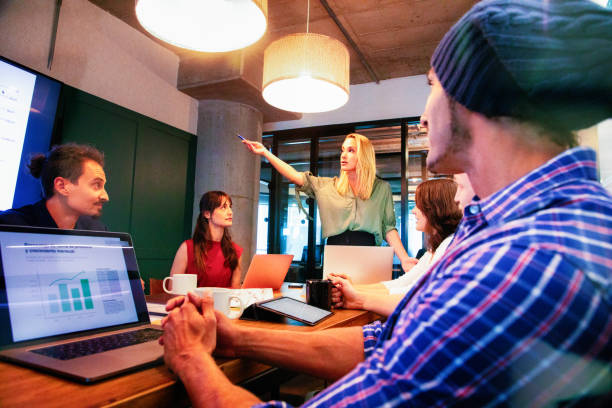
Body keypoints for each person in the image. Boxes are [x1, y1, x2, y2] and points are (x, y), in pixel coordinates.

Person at [160, 0, 612, 406]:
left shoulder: (519, 263)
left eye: (432, 86)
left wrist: (190, 358)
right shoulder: (514, 228)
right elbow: (386, 346)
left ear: (473, 98)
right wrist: (236, 337)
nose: (422, 115)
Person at [242, 132, 417, 273]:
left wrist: (404, 259)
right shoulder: (328, 186)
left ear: (364, 156)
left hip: (368, 252)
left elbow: (389, 228)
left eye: (351, 150)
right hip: (336, 251)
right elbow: (294, 175)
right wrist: (266, 152)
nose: (343, 155)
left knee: (366, 304)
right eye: (343, 150)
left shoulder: (381, 189)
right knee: (336, 304)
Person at [330, 178, 463, 315]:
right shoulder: (433, 250)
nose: (413, 211)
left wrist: (356, 297)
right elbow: (402, 283)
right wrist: (352, 288)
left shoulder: (449, 246)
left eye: (419, 205)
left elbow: (411, 292)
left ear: (436, 208)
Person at [0, 143, 108, 230]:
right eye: (96, 185)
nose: (106, 197)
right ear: (62, 186)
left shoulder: (97, 230)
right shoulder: (9, 226)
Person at [169, 191, 242, 288]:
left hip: (224, 303)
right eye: (223, 207)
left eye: (230, 207)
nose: (230, 212)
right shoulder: (187, 248)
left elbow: (235, 291)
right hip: (192, 303)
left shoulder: (235, 250)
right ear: (207, 214)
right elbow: (173, 288)